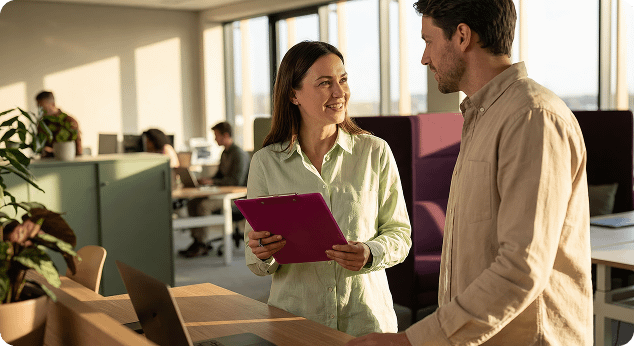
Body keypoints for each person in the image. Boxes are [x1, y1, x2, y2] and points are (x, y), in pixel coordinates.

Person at [347, 1, 592, 345]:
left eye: (428, 41)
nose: (424, 58)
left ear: (462, 36)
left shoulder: (531, 117)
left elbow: (521, 269)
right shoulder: (482, 117)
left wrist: (411, 341)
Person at [244, 41, 412, 337]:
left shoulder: (375, 152)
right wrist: (262, 251)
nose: (339, 93)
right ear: (293, 94)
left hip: (366, 322)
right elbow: (256, 263)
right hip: (296, 323)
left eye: (343, 80)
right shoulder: (266, 163)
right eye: (325, 83)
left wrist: (370, 252)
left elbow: (400, 234)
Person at [179, 122, 250, 258]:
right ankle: (197, 241)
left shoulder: (238, 154)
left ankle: (202, 244)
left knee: (203, 206)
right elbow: (220, 176)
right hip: (225, 194)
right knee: (192, 203)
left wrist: (212, 182)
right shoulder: (225, 153)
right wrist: (208, 180)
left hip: (238, 197)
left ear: (226, 135)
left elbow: (236, 182)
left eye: (216, 135)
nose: (215, 139)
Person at [35, 91, 83, 157]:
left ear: (53, 104)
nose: (41, 110)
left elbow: (77, 150)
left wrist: (54, 150)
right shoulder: (42, 124)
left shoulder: (69, 121)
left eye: (43, 107)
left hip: (66, 163)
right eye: (39, 107)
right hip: (46, 163)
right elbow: (38, 146)